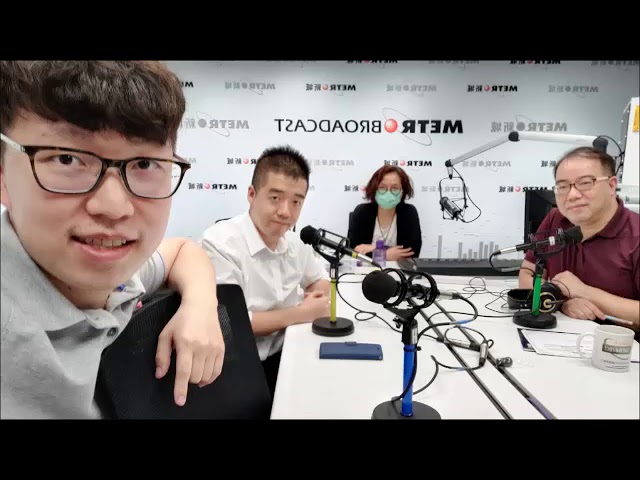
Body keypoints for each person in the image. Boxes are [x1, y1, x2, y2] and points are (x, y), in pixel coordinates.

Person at [0, 61, 225, 419]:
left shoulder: (111, 274)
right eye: (67, 159)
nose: (114, 208)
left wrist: (200, 306)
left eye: (145, 164)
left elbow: (182, 251)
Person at [200, 145, 330, 396]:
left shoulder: (293, 242)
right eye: (275, 198)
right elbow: (231, 323)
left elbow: (320, 279)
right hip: (235, 369)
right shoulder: (220, 244)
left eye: (296, 202)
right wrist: (301, 313)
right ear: (251, 194)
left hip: (288, 354)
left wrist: (315, 298)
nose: (285, 212)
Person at [518, 146, 639, 330]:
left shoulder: (635, 235)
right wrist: (561, 301)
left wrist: (584, 292)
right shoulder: (555, 219)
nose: (572, 195)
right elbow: (527, 273)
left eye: (585, 183)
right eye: (563, 186)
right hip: (559, 337)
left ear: (611, 185)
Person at [347, 165, 422, 260]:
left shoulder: (409, 213)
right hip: (365, 268)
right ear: (374, 189)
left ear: (402, 192)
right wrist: (384, 255)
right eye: (382, 188)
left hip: (398, 268)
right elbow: (352, 251)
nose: (388, 193)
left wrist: (374, 248)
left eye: (395, 188)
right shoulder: (362, 212)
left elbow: (412, 252)